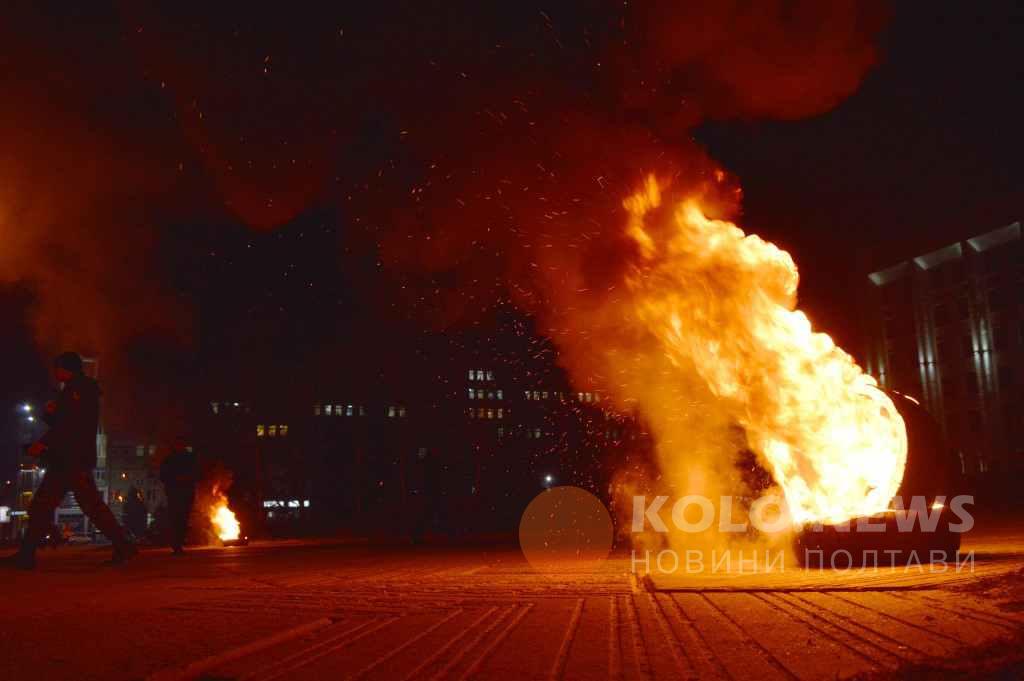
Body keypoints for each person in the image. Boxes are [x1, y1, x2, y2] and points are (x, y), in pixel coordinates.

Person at [3, 352, 135, 570]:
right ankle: (26, 554)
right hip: (68, 459)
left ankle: (27, 555)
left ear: (67, 369)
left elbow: (70, 426)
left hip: (71, 459)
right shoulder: (75, 390)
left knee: (60, 506)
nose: (55, 373)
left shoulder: (79, 390)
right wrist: (51, 414)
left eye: (58, 368)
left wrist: (43, 442)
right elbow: (65, 422)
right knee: (51, 506)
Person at [160, 437, 199, 554]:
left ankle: (177, 544)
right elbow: (163, 476)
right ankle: (177, 544)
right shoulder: (180, 459)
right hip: (179, 494)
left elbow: (194, 474)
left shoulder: (175, 459)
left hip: (179, 494)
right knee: (179, 519)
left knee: (179, 519)